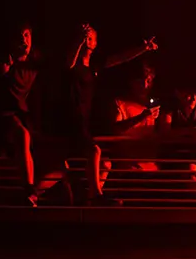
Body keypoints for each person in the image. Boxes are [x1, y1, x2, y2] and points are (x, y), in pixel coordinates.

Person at [65, 24, 157, 204]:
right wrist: (79, 41)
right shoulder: (72, 65)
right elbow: (68, 64)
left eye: (90, 37)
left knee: (101, 163)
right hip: (69, 117)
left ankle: (87, 196)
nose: (86, 40)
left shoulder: (94, 66)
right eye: (84, 37)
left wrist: (143, 48)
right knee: (92, 151)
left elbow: (120, 58)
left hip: (84, 118)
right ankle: (95, 196)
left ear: (96, 43)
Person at [0, 23, 46, 206]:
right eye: (19, 36)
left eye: (26, 35)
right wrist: (0, 73)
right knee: (22, 135)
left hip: (21, 116)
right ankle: (29, 191)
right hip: (1, 116)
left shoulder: (34, 65)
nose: (23, 40)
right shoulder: (4, 63)